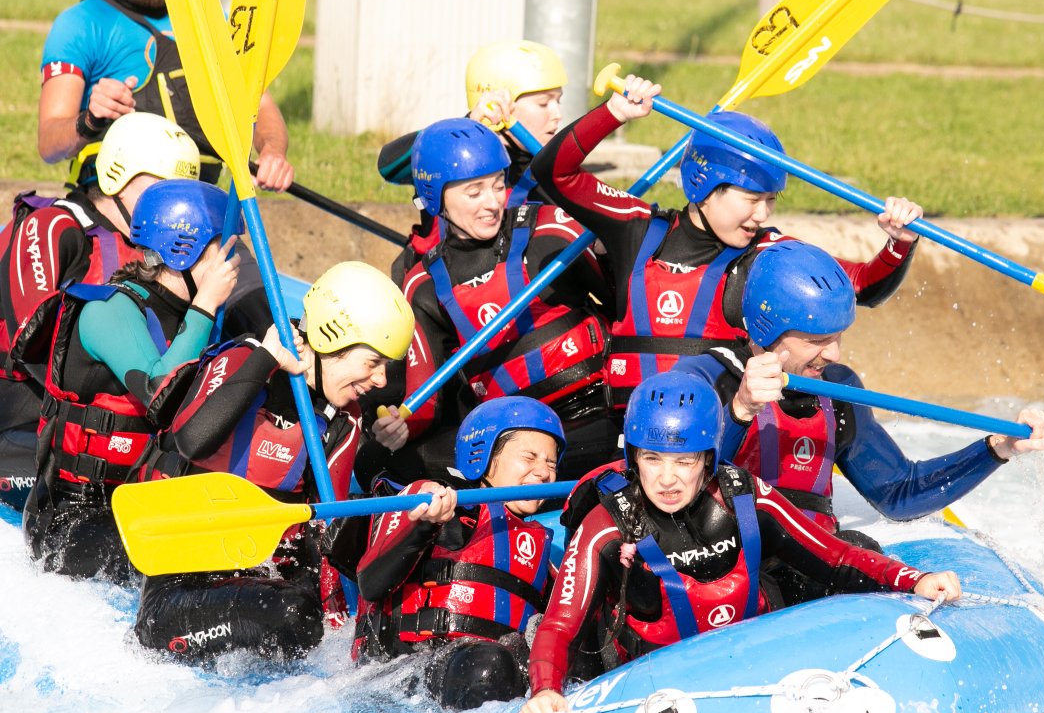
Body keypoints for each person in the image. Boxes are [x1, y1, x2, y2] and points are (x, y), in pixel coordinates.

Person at [518, 371, 961, 713]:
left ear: (709, 459)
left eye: (684, 461)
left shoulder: (745, 496)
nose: (667, 480)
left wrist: (914, 579)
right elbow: (560, 624)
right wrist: (544, 691)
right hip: (653, 685)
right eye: (652, 459)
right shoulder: (606, 525)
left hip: (752, 654)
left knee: (852, 554)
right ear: (633, 458)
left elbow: (835, 556)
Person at [674, 240, 1044, 603]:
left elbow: (898, 494)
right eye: (817, 340)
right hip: (728, 573)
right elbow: (670, 488)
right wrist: (741, 409)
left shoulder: (838, 389)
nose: (834, 353)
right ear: (766, 328)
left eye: (838, 336)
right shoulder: (706, 379)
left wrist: (998, 449)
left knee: (861, 548)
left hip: (816, 566)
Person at [529, 74, 923, 410]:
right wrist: (614, 114)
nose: (763, 215)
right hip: (630, 439)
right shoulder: (636, 228)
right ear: (702, 185)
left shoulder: (768, 256)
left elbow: (861, 288)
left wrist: (899, 243)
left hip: (717, 444)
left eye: (771, 201)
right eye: (751, 200)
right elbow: (553, 171)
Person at [132, 261, 415, 662]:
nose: (382, 381)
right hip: (179, 594)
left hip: (265, 590)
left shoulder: (342, 421)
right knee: (294, 616)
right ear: (332, 339)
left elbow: (322, 536)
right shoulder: (246, 360)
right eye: (373, 363)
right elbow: (192, 439)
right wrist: (266, 359)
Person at [358, 118, 615, 486]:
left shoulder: (550, 230)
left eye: (498, 185)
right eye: (474, 192)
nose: (493, 202)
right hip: (509, 436)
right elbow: (425, 400)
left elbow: (624, 308)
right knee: (376, 459)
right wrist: (403, 426)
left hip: (594, 415)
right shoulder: (423, 284)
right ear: (435, 197)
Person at [23, 178, 240, 584]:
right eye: (222, 248)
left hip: (134, 505)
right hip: (71, 522)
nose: (234, 261)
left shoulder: (192, 313)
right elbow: (161, 394)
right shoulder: (110, 311)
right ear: (184, 249)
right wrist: (206, 304)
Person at [0, 111, 200, 511]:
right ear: (116, 177)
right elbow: (32, 342)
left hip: (119, 429)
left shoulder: (158, 254)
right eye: (160, 186)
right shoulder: (52, 227)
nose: (175, 202)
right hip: (25, 425)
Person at [350, 396, 565, 710]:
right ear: (483, 457)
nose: (544, 473)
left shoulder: (538, 549)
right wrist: (424, 527)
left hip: (483, 675)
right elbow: (371, 583)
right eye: (529, 458)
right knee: (489, 667)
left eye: (551, 464)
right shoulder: (438, 505)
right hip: (402, 674)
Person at [38, 0, 294, 192]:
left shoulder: (213, 24)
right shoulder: (81, 23)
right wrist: (90, 120)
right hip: (110, 210)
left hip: (200, 210)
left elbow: (259, 106)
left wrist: (272, 153)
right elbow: (49, 144)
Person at [377, 39, 568, 269]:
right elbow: (388, 164)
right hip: (444, 292)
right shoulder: (447, 156)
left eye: (558, 101)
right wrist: (471, 122)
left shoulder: (552, 169)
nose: (557, 114)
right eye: (543, 103)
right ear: (500, 105)